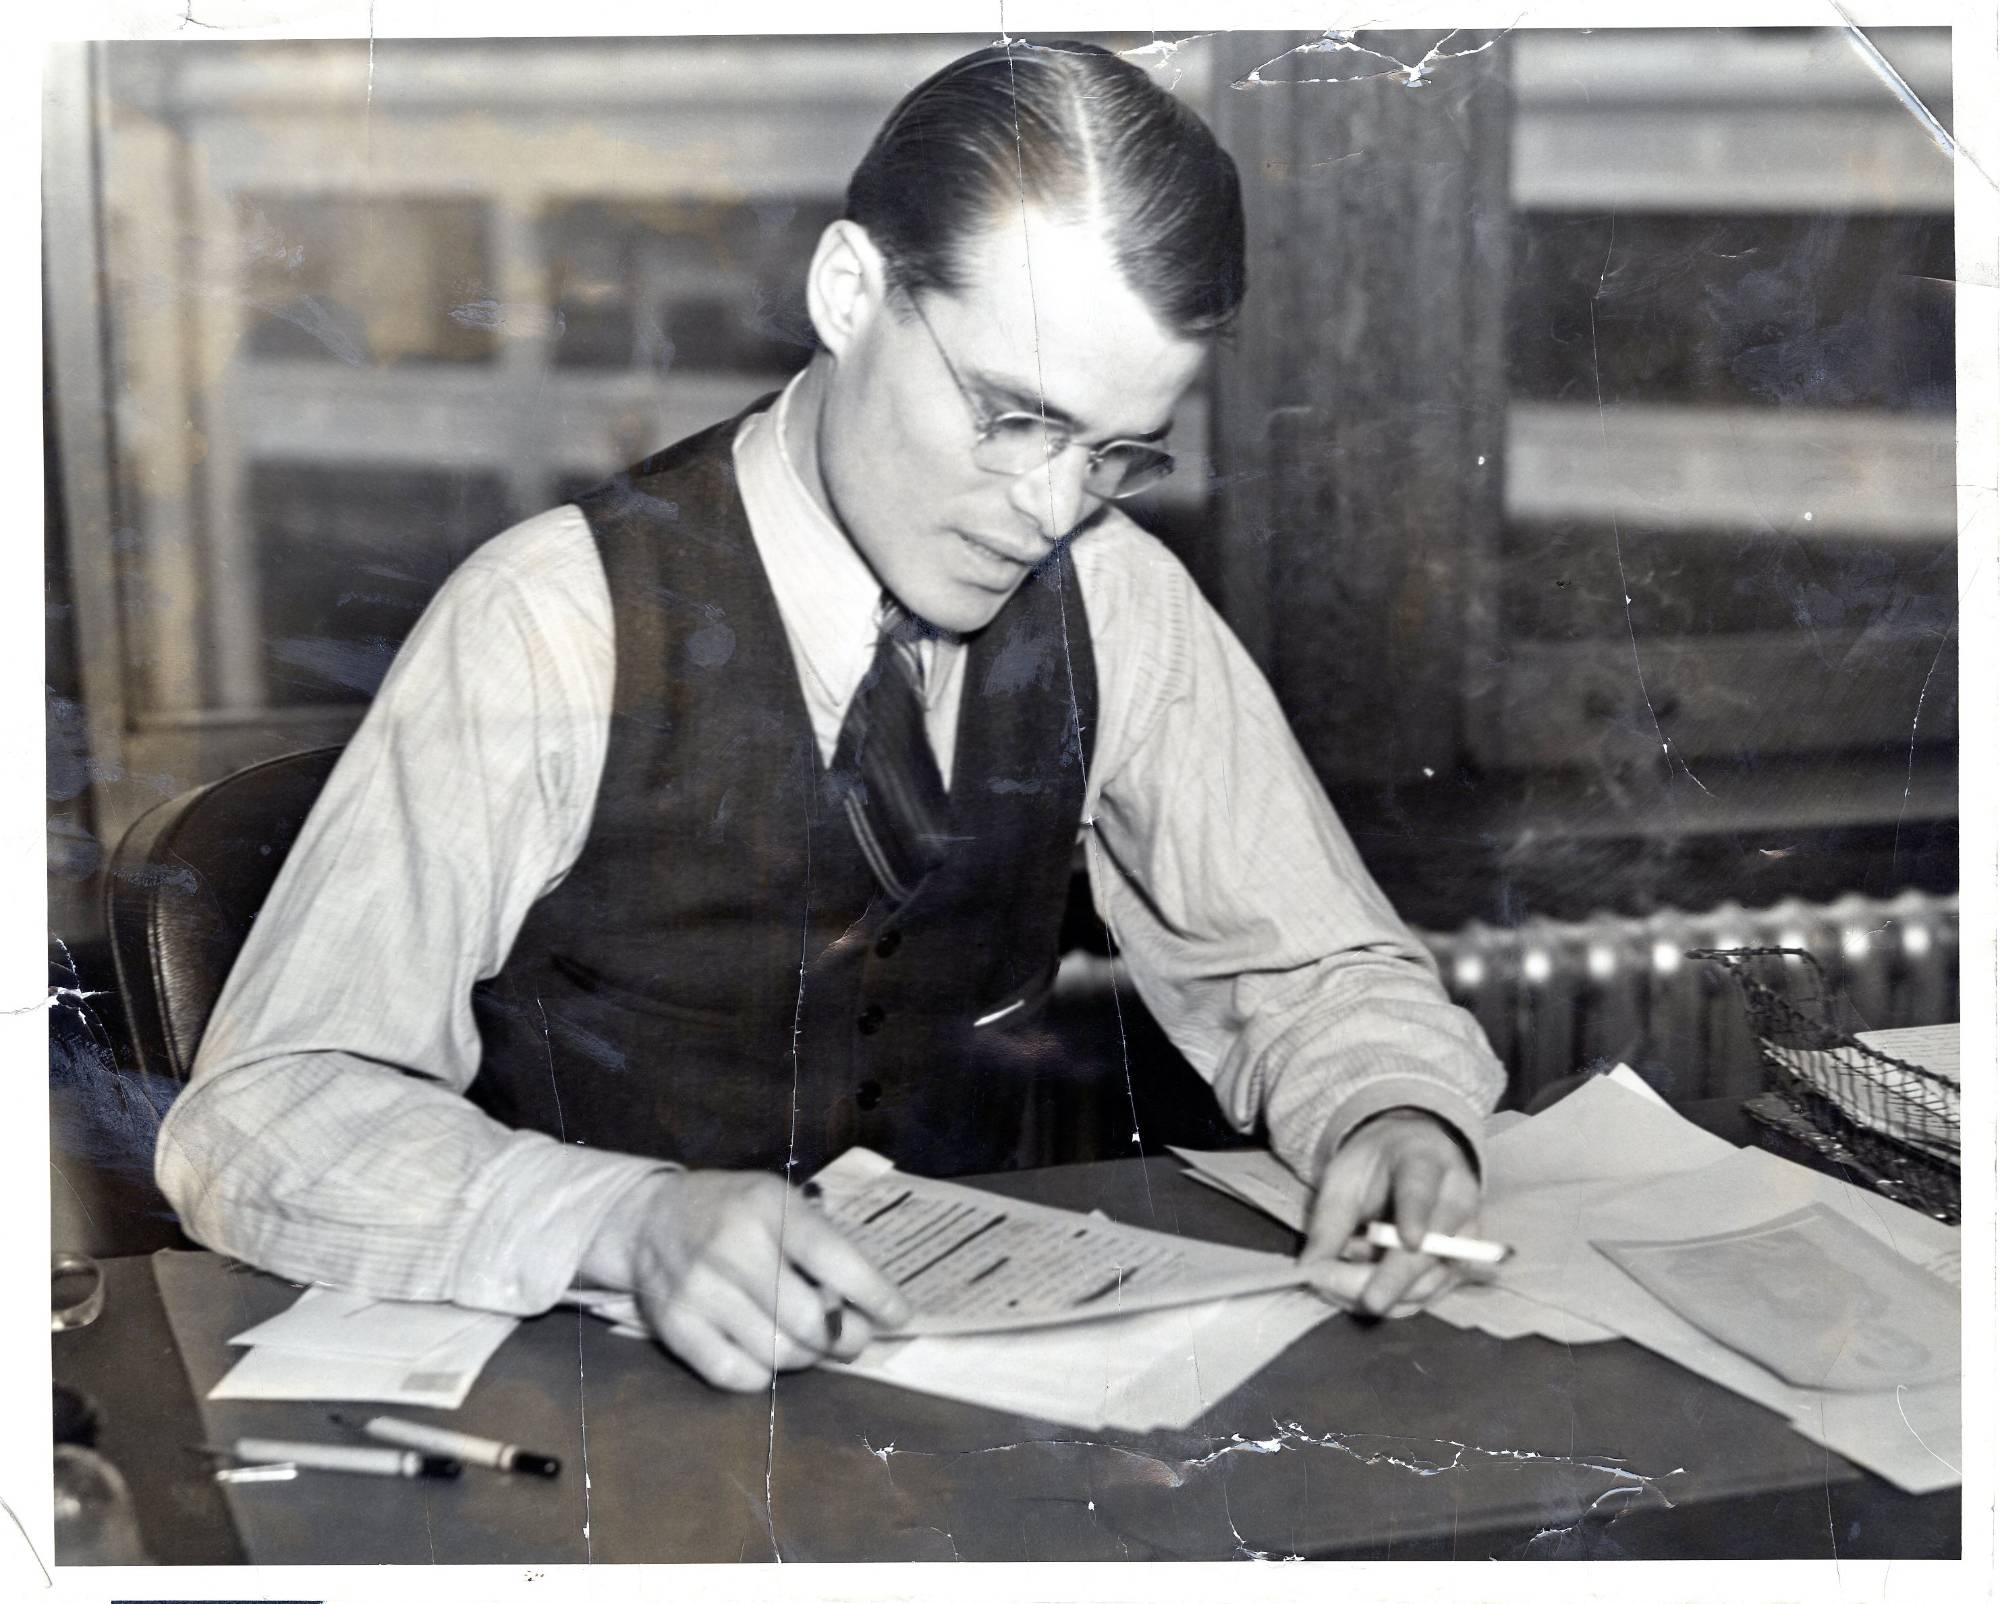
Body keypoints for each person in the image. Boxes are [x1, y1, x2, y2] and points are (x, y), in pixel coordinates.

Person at [154, 40, 1505, 1393]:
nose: (1053, 509)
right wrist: (623, 1222)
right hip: (588, 1410)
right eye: (1014, 419)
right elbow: (265, 1115)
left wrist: (1388, 1109)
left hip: (969, 1391)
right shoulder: (551, 624)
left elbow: (1314, 969)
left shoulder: (1115, 599)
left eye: (1114, 453)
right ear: (850, 291)